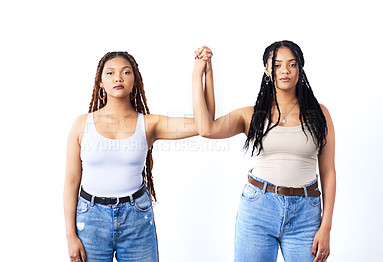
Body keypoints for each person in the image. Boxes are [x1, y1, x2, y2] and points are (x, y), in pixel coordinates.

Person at [64, 48, 213, 262]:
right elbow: (71, 181)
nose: (118, 77)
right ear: (100, 84)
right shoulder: (81, 124)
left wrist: (201, 73)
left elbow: (205, 125)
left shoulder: (150, 124)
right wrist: (70, 235)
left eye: (126, 72)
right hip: (90, 220)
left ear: (135, 80)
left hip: (136, 218)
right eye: (110, 73)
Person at [192, 40, 335, 262]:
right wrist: (201, 73)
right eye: (277, 65)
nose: (284, 70)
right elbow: (206, 128)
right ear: (267, 70)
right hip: (258, 209)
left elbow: (328, 172)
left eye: (292, 64)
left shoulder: (319, 114)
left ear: (300, 69)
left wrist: (326, 227)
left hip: (306, 214)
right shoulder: (251, 115)